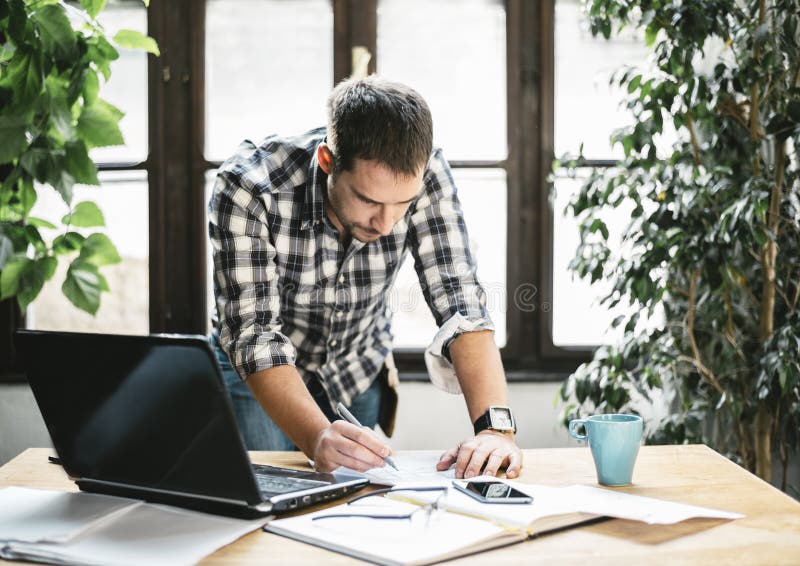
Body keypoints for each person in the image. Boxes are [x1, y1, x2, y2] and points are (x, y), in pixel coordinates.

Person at [208, 75, 522, 479]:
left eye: (402, 205)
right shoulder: (249, 185)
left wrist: (496, 430)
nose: (387, 223)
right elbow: (254, 336)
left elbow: (460, 301)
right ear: (327, 162)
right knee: (267, 500)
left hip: (356, 371)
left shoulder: (426, 171)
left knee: (352, 502)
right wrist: (318, 435)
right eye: (369, 200)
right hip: (255, 382)